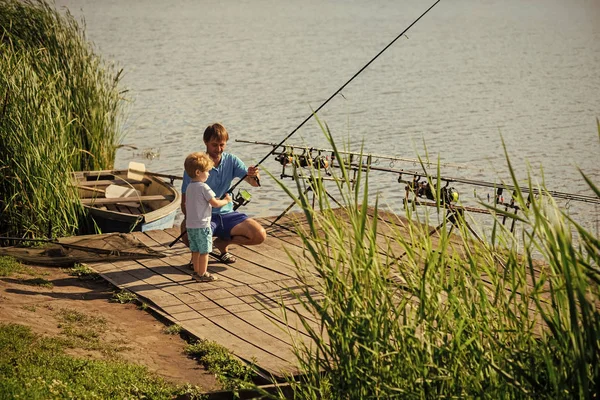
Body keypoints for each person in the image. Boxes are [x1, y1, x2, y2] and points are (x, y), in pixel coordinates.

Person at [181, 123, 266, 265]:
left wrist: (254, 175)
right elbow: (184, 201)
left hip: (227, 213)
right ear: (205, 142)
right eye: (214, 145)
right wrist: (193, 219)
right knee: (186, 228)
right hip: (204, 216)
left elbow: (254, 183)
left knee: (259, 235)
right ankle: (196, 256)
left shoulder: (232, 160)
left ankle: (222, 245)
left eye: (222, 145)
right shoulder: (194, 165)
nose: (219, 149)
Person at [183, 152, 232, 281]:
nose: (209, 174)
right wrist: (226, 201)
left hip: (191, 225)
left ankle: (196, 273)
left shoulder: (189, 187)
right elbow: (215, 204)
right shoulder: (204, 187)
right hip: (202, 225)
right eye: (207, 171)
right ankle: (203, 274)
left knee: (195, 250)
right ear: (198, 172)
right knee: (205, 251)